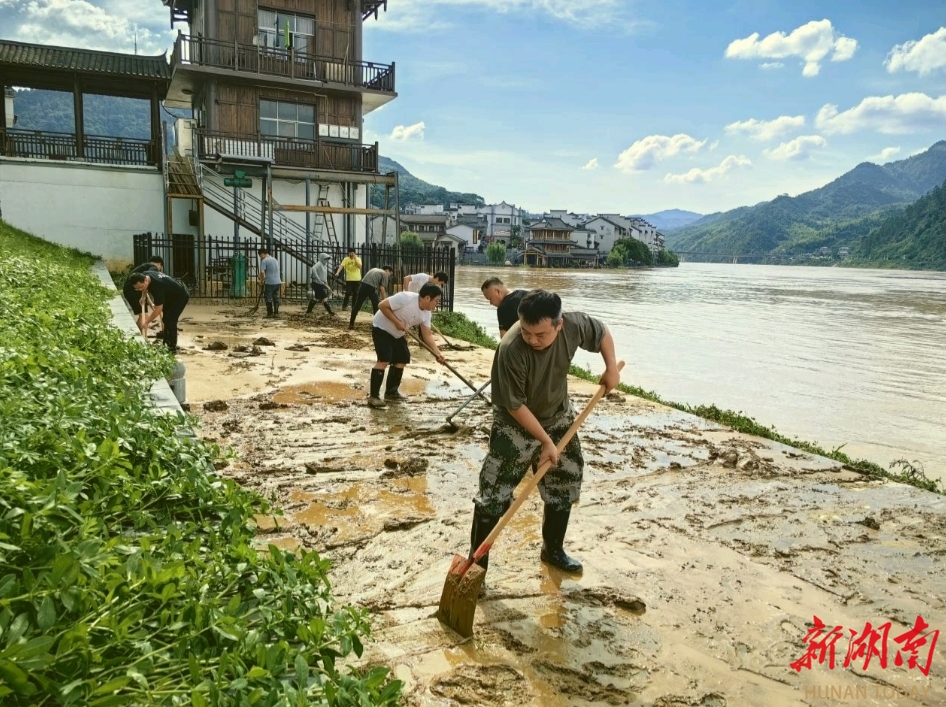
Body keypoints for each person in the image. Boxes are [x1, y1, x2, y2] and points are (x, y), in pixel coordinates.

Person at [468, 289, 619, 575]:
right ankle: (476, 568)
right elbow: (515, 406)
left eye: (540, 335)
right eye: (527, 332)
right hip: (515, 423)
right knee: (493, 494)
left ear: (558, 325)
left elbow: (602, 333)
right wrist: (547, 443)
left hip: (558, 416)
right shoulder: (511, 348)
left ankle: (553, 550)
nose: (532, 340)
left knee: (565, 480)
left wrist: (611, 368)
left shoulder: (573, 325)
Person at [367, 283, 446, 408]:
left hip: (397, 334)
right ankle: (374, 397)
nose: (436, 304)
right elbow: (381, 305)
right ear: (427, 298)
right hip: (382, 328)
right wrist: (397, 322)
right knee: (384, 359)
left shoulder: (426, 314)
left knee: (402, 358)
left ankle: (391, 393)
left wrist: (437, 354)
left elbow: (427, 336)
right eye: (436, 301)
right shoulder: (406, 298)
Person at [127, 271, 190, 353]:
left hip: (180, 296)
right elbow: (145, 288)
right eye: (138, 288)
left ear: (145, 281)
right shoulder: (146, 275)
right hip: (169, 294)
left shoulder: (157, 286)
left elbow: (158, 309)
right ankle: (166, 344)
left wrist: (146, 322)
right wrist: (143, 297)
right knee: (165, 319)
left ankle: (171, 347)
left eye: (141, 287)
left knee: (170, 319)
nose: (140, 289)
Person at [122, 255, 164, 334]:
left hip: (130, 290)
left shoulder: (145, 267)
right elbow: (145, 285)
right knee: (144, 316)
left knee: (143, 315)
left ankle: (139, 334)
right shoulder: (153, 268)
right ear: (159, 264)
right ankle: (141, 335)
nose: (159, 270)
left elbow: (145, 288)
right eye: (160, 267)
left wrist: (150, 302)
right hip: (133, 290)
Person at [349, 265, 394, 329]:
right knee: (376, 305)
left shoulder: (374, 269)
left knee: (357, 305)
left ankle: (351, 324)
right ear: (387, 270)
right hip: (370, 287)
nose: (389, 276)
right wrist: (385, 300)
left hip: (362, 285)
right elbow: (382, 288)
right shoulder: (384, 274)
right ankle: (376, 325)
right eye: (390, 274)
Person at [258, 248, 282, 318]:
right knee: (276, 297)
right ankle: (276, 312)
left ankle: (270, 313)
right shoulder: (275, 259)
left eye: (260, 256)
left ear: (262, 254)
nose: (260, 257)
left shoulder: (264, 261)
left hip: (269, 282)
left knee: (268, 297)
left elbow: (262, 272)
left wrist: (262, 280)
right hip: (277, 281)